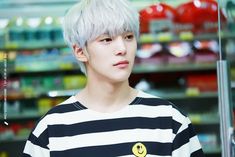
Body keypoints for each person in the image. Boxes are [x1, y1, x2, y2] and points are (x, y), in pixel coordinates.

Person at [22, 0, 204, 156]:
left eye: (129, 37)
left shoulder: (170, 120)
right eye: (106, 39)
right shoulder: (50, 130)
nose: (122, 48)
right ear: (79, 51)